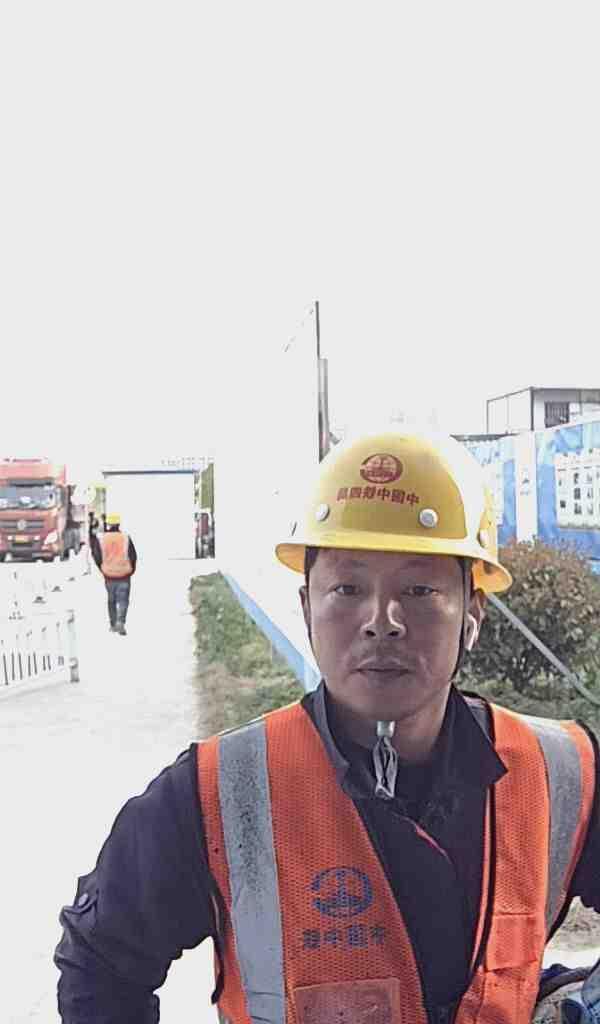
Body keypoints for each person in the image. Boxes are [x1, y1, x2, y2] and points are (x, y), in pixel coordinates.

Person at [54, 431, 600, 1023]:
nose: (382, 621)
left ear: (473, 611)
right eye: (347, 588)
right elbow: (100, 966)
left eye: (419, 589)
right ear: (307, 606)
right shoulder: (221, 794)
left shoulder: (560, 774)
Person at [90, 512, 137, 635]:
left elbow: (96, 555)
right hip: (124, 574)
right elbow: (133, 556)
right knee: (123, 600)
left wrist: (102, 568)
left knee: (111, 599)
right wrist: (131, 570)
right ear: (118, 524)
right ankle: (120, 622)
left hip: (109, 574)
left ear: (108, 524)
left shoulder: (102, 539)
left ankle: (113, 623)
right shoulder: (125, 538)